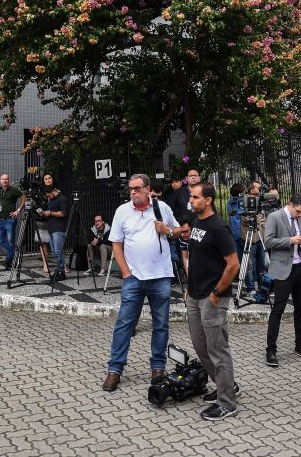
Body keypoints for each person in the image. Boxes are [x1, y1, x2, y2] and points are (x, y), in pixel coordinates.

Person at [103, 174, 184, 392]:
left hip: (160, 276)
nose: (133, 192)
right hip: (134, 278)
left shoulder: (162, 208)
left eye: (137, 188)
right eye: (131, 189)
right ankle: (115, 369)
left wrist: (165, 230)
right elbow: (116, 244)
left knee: (161, 324)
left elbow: (178, 230)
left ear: (148, 189)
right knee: (124, 324)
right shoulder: (123, 211)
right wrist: (126, 273)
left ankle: (158, 368)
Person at [185, 181, 241, 420]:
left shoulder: (219, 227)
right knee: (201, 345)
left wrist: (217, 293)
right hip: (195, 295)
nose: (191, 200)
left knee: (218, 350)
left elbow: (233, 264)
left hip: (213, 297)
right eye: (191, 196)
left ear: (208, 200)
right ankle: (225, 385)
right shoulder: (198, 222)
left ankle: (227, 402)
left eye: (195, 197)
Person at [263, 194, 301, 367]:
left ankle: (300, 345)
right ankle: (271, 349)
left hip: (300, 267)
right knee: (278, 309)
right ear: (290, 205)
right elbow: (268, 241)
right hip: (282, 269)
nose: (300, 215)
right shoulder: (274, 217)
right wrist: (290, 241)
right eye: (298, 211)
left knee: (300, 309)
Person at [41, 185, 69, 281]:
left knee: (58, 250)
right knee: (54, 251)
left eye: (49, 195)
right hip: (51, 228)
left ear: (53, 191)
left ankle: (61, 271)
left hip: (59, 228)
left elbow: (63, 213)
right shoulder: (51, 200)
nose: (48, 197)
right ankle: (59, 270)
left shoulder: (62, 198)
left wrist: (50, 213)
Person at [227, 183, 245, 262]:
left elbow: (229, 213)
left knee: (238, 255)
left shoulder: (230, 201)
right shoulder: (243, 200)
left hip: (234, 231)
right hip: (243, 231)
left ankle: (239, 272)